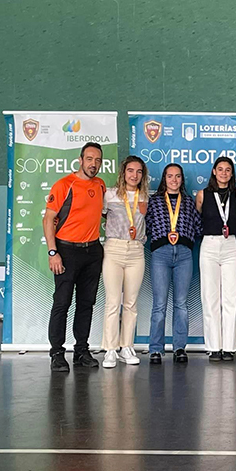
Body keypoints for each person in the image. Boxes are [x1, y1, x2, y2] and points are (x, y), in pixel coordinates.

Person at [43, 142, 106, 372]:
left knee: (86, 304)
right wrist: (53, 252)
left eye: (97, 160)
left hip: (93, 251)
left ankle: (81, 351)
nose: (93, 164)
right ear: (80, 160)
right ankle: (57, 353)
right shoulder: (64, 185)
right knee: (62, 302)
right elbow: (48, 219)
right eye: (89, 159)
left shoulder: (100, 185)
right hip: (67, 251)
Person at [146, 163, 202, 364]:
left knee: (181, 304)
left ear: (182, 179)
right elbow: (147, 226)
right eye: (170, 176)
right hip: (161, 254)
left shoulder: (188, 201)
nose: (174, 180)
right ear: (164, 179)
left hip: (184, 255)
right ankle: (156, 349)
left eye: (178, 176)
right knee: (159, 304)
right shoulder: (154, 201)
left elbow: (198, 227)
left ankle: (179, 348)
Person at [101, 156, 149, 368]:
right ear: (123, 172)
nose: (134, 175)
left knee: (130, 303)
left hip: (136, 250)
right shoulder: (110, 194)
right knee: (113, 302)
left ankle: (126, 347)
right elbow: (102, 216)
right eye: (130, 170)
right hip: (114, 249)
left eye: (139, 172)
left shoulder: (145, 196)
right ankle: (110, 349)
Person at [196, 157, 236, 362]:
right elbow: (199, 218)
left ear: (232, 174)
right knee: (210, 297)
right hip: (209, 244)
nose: (224, 173)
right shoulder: (202, 194)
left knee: (232, 297)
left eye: (228, 170)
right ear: (214, 171)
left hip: (230, 245)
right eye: (220, 169)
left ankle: (229, 347)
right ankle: (213, 347)